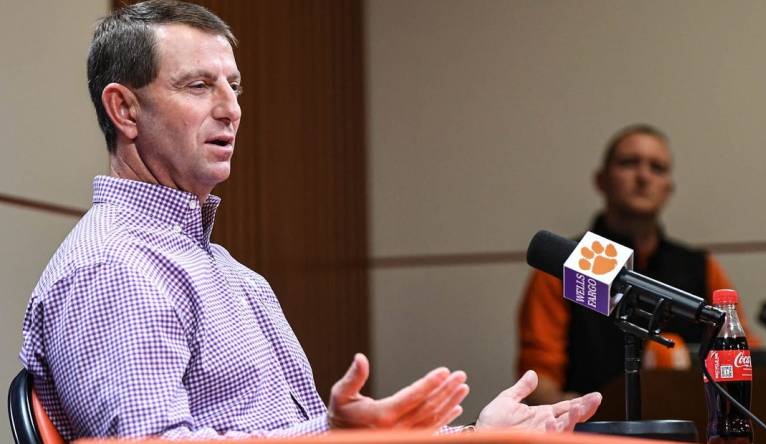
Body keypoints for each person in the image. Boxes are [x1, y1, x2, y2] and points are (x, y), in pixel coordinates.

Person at [19, 1, 601, 440]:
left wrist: (479, 435)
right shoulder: (112, 269)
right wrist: (337, 433)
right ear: (123, 109)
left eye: (234, 86)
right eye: (198, 86)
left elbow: (302, 433)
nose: (231, 108)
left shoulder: (226, 270)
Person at [517, 124, 759, 405]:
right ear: (601, 180)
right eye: (629, 163)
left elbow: (746, 356)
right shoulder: (564, 265)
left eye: (657, 168)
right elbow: (537, 385)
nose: (643, 176)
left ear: (668, 188)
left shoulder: (701, 266)